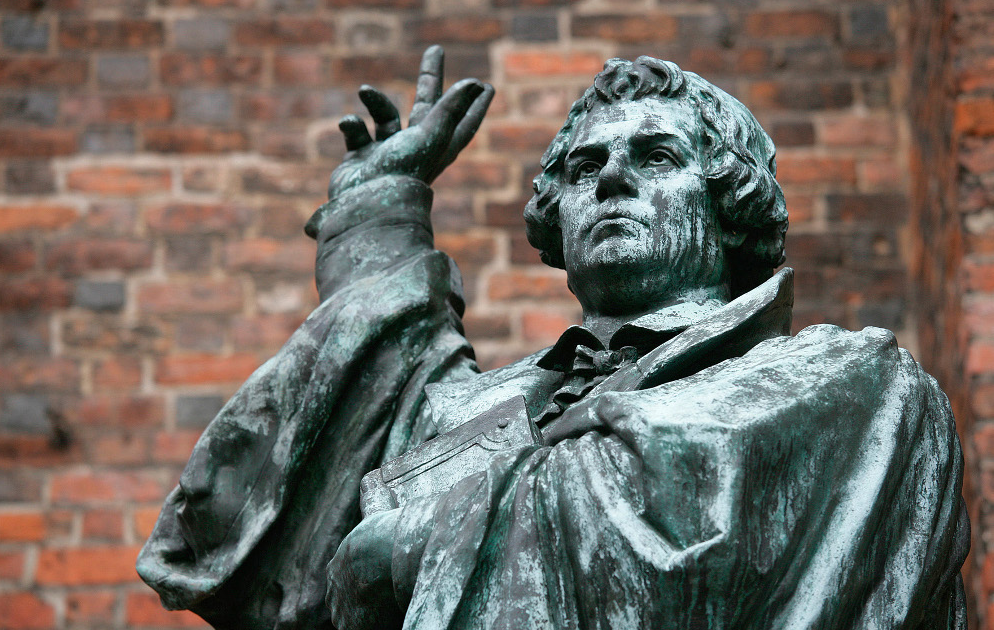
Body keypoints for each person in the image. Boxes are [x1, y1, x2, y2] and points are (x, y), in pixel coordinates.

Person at [137, 47, 969, 629]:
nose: (610, 176)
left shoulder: (849, 383)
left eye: (657, 155)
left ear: (729, 205)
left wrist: (422, 541)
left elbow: (689, 525)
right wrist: (377, 204)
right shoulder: (471, 408)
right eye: (584, 167)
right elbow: (345, 449)